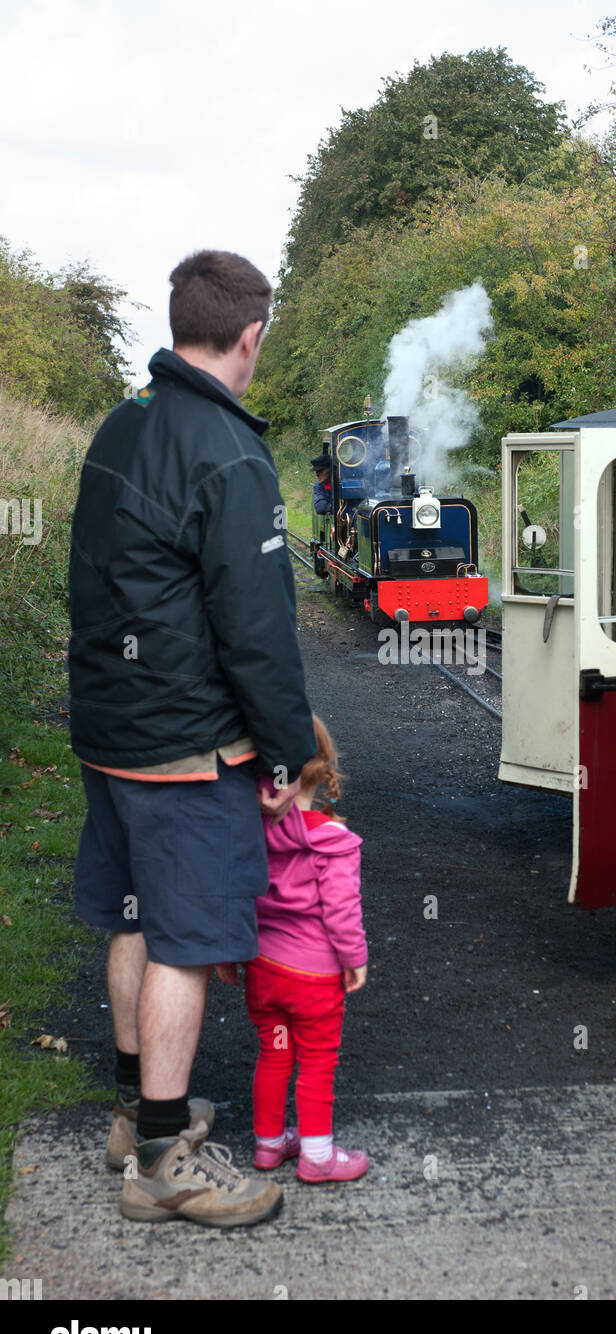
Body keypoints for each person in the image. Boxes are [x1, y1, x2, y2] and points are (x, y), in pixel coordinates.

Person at [69, 249, 318, 1227]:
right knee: (182, 940)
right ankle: (167, 1163)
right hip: (185, 751)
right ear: (249, 337)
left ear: (181, 324)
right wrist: (291, 752)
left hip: (109, 732)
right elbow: (258, 635)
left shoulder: (120, 424)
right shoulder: (228, 450)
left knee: (134, 915)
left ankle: (137, 1112)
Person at [217, 714, 369, 1183]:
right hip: (315, 980)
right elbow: (341, 910)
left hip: (265, 971)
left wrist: (229, 954)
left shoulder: (248, 835)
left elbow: (233, 894)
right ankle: (318, 1155)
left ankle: (268, 1145)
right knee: (317, 1062)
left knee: (275, 1052)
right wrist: (355, 958)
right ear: (321, 770)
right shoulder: (332, 841)